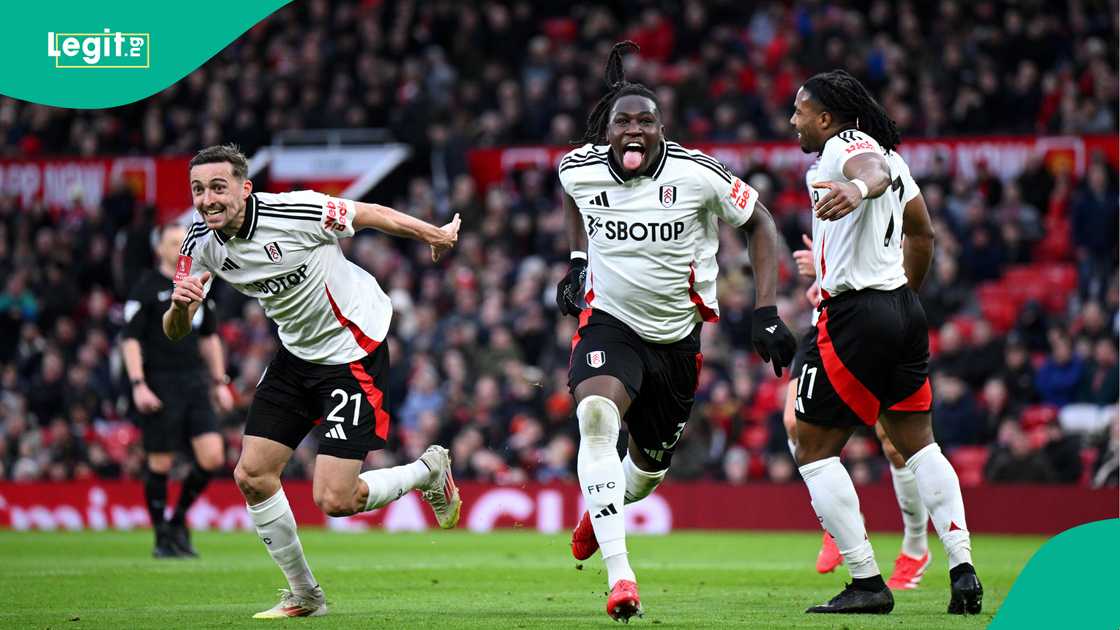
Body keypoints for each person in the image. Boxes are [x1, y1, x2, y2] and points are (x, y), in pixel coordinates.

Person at [165, 144, 463, 619]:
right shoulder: (196, 242)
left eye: (218, 187)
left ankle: (427, 471)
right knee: (252, 476)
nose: (206, 199)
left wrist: (434, 234)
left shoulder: (295, 210)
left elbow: (369, 213)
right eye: (198, 189)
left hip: (352, 350)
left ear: (245, 188)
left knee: (334, 499)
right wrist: (181, 306)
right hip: (296, 354)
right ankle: (305, 596)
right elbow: (176, 331)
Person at [555, 42, 797, 622]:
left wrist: (766, 310)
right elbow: (573, 198)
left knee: (647, 469)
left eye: (646, 121)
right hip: (609, 323)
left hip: (677, 338)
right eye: (623, 121)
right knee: (594, 418)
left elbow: (760, 223)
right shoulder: (577, 167)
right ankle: (621, 578)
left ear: (662, 128)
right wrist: (576, 259)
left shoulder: (697, 174)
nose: (634, 130)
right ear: (607, 131)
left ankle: (601, 506)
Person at [788, 69, 982, 615]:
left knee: (814, 450)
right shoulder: (896, 159)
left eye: (800, 111)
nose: (793, 121)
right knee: (919, 444)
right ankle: (963, 569)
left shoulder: (846, 149)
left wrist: (855, 186)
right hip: (900, 308)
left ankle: (867, 581)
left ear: (826, 118)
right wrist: (903, 299)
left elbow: (864, 171)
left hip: (854, 315)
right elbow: (922, 234)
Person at [786, 233, 932, 590]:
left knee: (895, 441)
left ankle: (915, 547)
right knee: (794, 422)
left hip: (877, 323)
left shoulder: (884, 188)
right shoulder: (822, 183)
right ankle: (839, 526)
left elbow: (904, 252)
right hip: (826, 322)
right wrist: (821, 273)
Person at [121, 223, 234, 558]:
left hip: (194, 382)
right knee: (161, 462)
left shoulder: (199, 283)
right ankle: (161, 538)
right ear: (160, 248)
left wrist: (220, 381)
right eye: (173, 241)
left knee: (212, 456)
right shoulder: (146, 288)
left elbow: (209, 337)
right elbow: (130, 339)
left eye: (184, 241)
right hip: (160, 382)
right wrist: (138, 385)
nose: (180, 247)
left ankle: (178, 520)